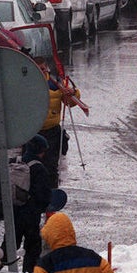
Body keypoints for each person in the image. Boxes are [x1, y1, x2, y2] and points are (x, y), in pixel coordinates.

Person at [34, 56, 89, 185]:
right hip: (31, 133)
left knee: (51, 166)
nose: (41, 72)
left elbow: (69, 103)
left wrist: (72, 93)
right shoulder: (24, 84)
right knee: (31, 166)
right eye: (37, 69)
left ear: (46, 68)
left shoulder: (56, 84)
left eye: (43, 69)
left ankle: (52, 193)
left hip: (51, 132)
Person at [5, 135, 54, 273]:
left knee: (9, 244)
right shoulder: (39, 168)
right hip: (31, 215)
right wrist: (40, 208)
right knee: (33, 247)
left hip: (12, 212)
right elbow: (44, 195)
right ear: (40, 151)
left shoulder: (12, 163)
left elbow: (1, 186)